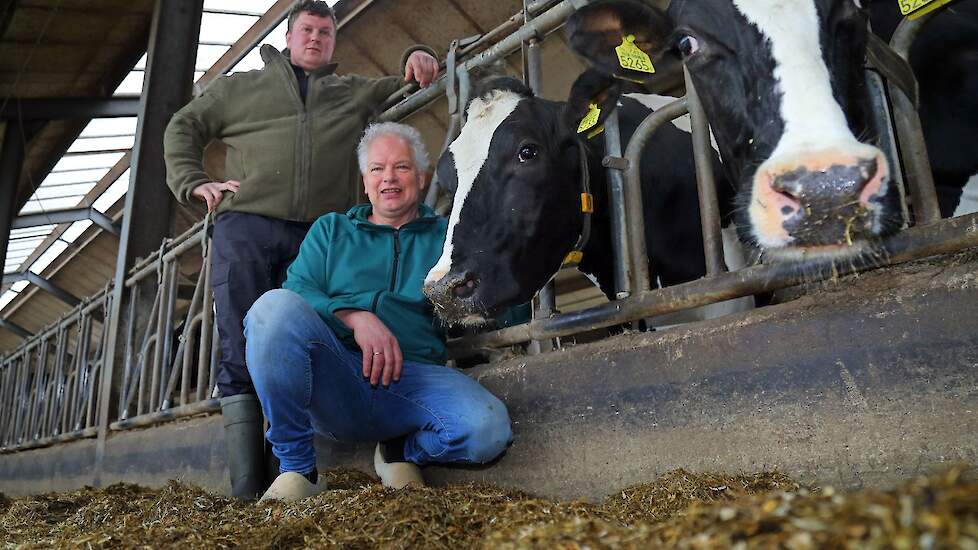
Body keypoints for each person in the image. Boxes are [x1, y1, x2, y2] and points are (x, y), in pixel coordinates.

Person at [162, 1, 440, 498]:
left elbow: (402, 78)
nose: (315, 38)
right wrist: (194, 182)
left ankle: (296, 468)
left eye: (325, 32)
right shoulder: (240, 88)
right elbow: (183, 126)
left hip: (318, 236)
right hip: (246, 225)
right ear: (287, 38)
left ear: (334, 42)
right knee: (242, 343)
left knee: (316, 338)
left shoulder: (350, 92)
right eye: (307, 30)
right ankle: (249, 488)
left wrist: (418, 51)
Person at [244, 122, 513, 502]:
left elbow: (489, 297)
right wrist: (354, 317)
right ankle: (298, 468)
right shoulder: (331, 231)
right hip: (337, 376)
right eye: (377, 169)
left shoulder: (447, 237)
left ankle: (400, 452)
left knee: (488, 430)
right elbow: (298, 289)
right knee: (271, 309)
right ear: (365, 181)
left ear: (421, 177)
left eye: (401, 167)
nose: (389, 178)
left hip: (414, 380)